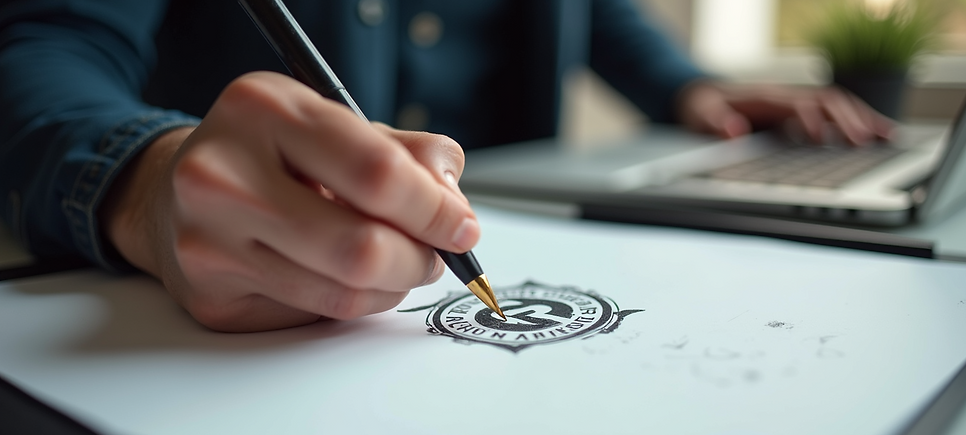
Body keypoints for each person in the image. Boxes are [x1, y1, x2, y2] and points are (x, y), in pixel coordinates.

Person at [0, 0, 892, 332]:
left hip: (521, 203)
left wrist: (692, 89)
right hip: (246, 256)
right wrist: (147, 177)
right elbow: (43, 45)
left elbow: (597, 13)